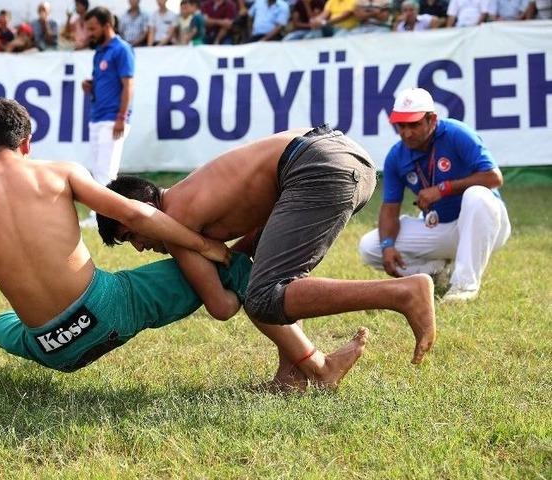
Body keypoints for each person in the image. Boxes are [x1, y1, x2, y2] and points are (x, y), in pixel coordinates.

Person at [0, 98, 240, 413]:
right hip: (111, 309)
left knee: (0, 325)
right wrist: (206, 246)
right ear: (27, 144)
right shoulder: (60, 172)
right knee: (231, 269)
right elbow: (134, 213)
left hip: (52, 348)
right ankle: (296, 349)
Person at [97, 126, 438, 390]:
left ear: (145, 211)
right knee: (268, 278)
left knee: (262, 295)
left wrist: (201, 275)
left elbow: (223, 306)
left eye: (132, 235)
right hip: (343, 157)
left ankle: (403, 293)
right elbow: (251, 241)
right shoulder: (188, 192)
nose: (140, 247)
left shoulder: (177, 220)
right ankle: (292, 376)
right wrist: (231, 260)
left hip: (317, 168)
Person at [358, 88, 511, 302]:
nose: (406, 133)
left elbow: (494, 178)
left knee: (477, 196)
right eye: (401, 125)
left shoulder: (456, 133)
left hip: (486, 226)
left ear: (432, 119)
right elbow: (390, 210)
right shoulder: (396, 156)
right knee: (369, 247)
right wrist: (387, 246)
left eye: (414, 124)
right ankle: (433, 273)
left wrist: (443, 189)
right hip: (441, 227)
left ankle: (464, 286)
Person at [79, 7, 135, 229]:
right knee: (99, 169)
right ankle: (101, 215)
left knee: (107, 170)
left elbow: (128, 84)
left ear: (107, 25)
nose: (89, 33)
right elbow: (105, 82)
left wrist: (122, 116)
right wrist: (90, 86)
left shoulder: (121, 49)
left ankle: (102, 217)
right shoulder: (100, 52)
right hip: (97, 116)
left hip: (113, 118)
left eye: (93, 28)